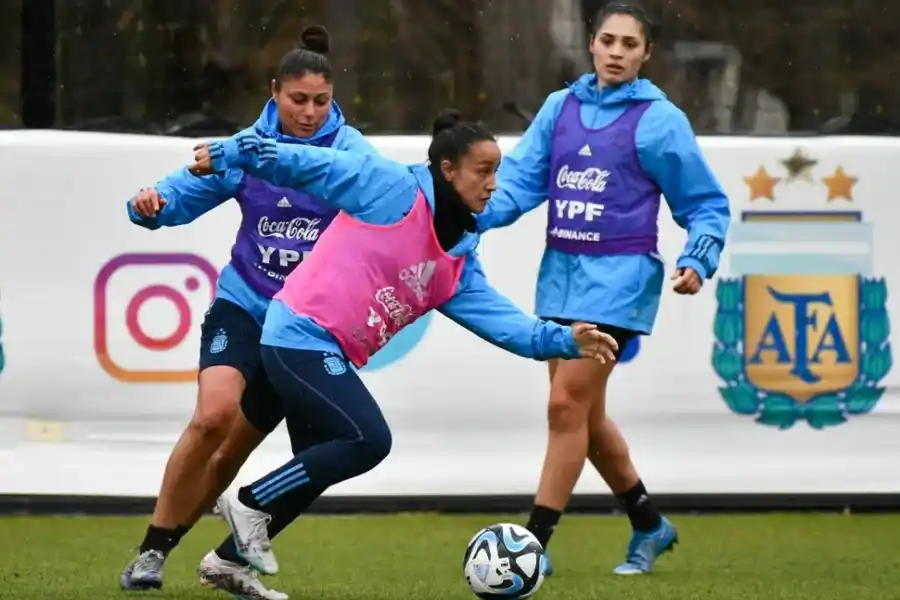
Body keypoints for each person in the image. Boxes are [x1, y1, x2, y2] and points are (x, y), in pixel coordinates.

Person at [186, 110, 620, 578]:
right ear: (448, 170)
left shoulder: (456, 264)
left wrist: (563, 339)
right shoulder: (392, 189)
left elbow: (508, 326)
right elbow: (307, 164)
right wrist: (235, 151)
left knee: (316, 469)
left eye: (498, 171)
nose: (494, 184)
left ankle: (228, 562)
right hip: (296, 334)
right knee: (368, 439)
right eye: (484, 171)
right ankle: (249, 501)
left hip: (324, 350)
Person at [119, 26, 378, 600]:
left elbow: (385, 198)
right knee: (212, 417)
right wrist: (153, 206)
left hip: (306, 327)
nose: (310, 113)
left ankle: (227, 560)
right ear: (275, 93)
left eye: (321, 102)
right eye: (298, 100)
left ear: (333, 99)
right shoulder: (246, 148)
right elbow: (185, 191)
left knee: (252, 456)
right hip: (245, 306)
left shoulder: (351, 153)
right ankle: (150, 553)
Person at [476, 1, 730, 576]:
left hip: (620, 282)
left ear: (646, 54)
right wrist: (469, 216)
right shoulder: (558, 108)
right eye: (608, 40)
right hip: (561, 278)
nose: (616, 52)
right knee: (583, 420)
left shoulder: (659, 120)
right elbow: (517, 183)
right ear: (592, 43)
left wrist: (698, 258)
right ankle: (649, 523)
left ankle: (530, 548)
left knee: (564, 404)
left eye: (629, 45)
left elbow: (704, 202)